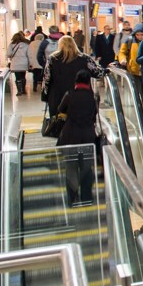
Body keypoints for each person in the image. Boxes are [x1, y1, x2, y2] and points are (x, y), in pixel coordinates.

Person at [55, 69, 98, 204]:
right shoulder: (94, 96)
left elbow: (60, 110)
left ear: (76, 81)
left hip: (70, 136)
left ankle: (72, 198)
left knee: (71, 167)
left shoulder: (69, 95)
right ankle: (87, 198)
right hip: (87, 137)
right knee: (86, 167)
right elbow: (95, 113)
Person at [42, 36, 103, 116]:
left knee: (58, 123)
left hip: (57, 98)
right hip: (81, 97)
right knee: (81, 122)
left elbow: (47, 78)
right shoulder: (85, 58)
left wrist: (45, 96)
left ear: (60, 45)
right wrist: (106, 69)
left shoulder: (52, 59)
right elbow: (98, 73)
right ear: (74, 44)